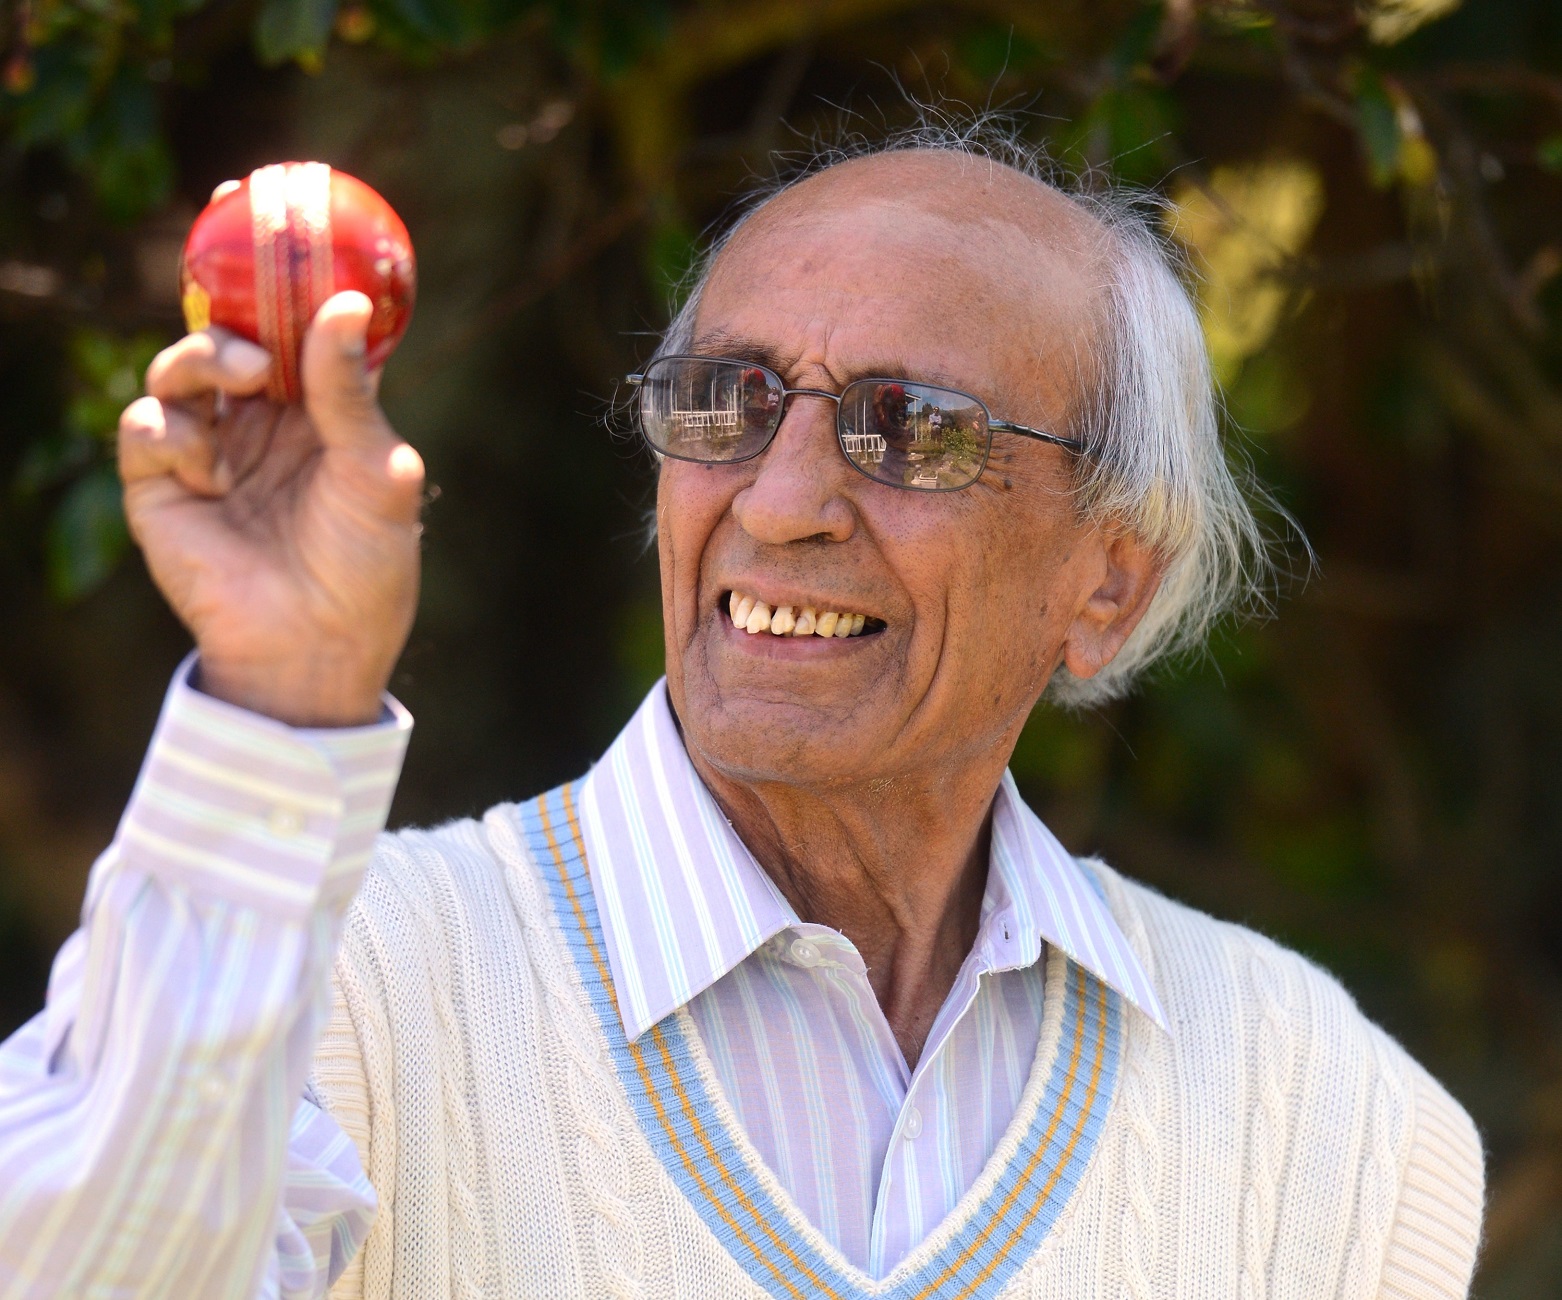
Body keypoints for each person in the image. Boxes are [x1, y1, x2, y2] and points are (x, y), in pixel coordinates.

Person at [0, 137, 1484, 1299]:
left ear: (1105, 579)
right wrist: (279, 704)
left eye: (914, 429)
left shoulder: (1331, 1124)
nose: (778, 503)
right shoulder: (335, 977)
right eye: (727, 399)